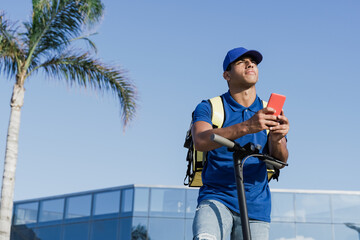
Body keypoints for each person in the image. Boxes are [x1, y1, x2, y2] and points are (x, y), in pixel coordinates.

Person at [191, 47, 289, 240]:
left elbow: (281, 160)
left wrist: (277, 138)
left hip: (257, 206)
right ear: (226, 75)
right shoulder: (210, 107)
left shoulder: (268, 110)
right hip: (216, 198)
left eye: (253, 61)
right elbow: (201, 140)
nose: (250, 64)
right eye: (240, 61)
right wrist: (248, 126)